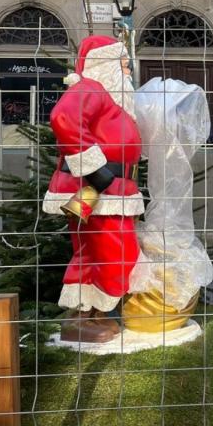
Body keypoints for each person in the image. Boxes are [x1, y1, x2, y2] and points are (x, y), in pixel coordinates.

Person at [43, 35, 144, 343]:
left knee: (91, 250)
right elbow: (63, 118)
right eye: (122, 64)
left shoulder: (107, 96)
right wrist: (96, 172)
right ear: (105, 64)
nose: (128, 70)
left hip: (101, 188)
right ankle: (86, 314)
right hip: (95, 188)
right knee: (115, 250)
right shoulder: (91, 89)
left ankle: (89, 314)